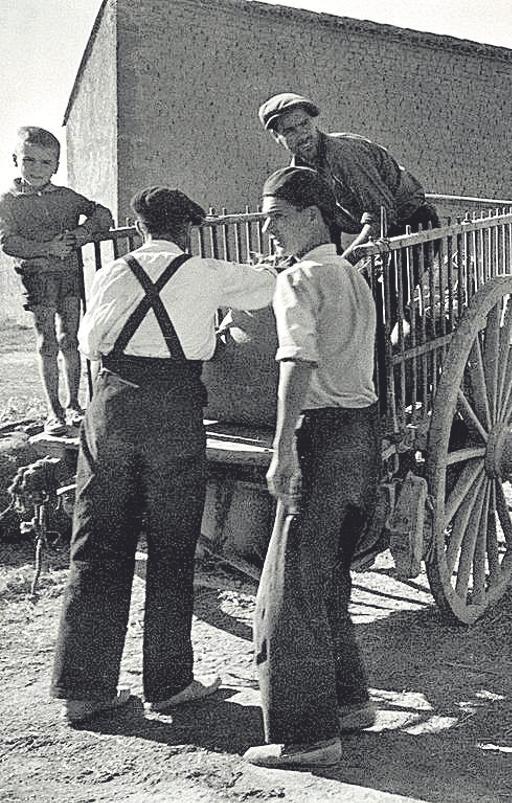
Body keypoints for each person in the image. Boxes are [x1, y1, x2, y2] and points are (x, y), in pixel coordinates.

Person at [50, 187, 277, 724]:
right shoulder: (203, 272)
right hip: (172, 414)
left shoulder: (111, 273)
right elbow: (268, 290)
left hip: (111, 411)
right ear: (189, 231)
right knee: (174, 549)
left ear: (140, 228)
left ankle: (84, 691)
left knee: (97, 544)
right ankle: (169, 684)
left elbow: (88, 343)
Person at [243, 167, 380, 769]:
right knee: (327, 581)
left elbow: (296, 362)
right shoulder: (351, 274)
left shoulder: (298, 277)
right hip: (363, 435)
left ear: (310, 215)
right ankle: (350, 702)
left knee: (286, 591)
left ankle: (307, 738)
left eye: (275, 215)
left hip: (321, 438)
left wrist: (282, 448)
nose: (267, 227)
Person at [0, 126, 114, 434]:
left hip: (69, 279)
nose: (37, 169)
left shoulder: (66, 198)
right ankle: (54, 411)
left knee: (70, 340)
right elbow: (8, 242)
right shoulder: (8, 202)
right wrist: (47, 248)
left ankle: (74, 406)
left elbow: (102, 215)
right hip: (37, 281)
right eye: (29, 160)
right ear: (15, 160)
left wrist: (80, 235)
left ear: (56, 166)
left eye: (45, 163)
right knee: (47, 343)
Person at [257, 92, 438, 262]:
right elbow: (322, 220)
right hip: (379, 232)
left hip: (411, 224)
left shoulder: (343, 155)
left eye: (304, 124)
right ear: (276, 136)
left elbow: (380, 214)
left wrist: (344, 264)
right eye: (290, 131)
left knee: (382, 294)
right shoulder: (299, 172)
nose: (303, 134)